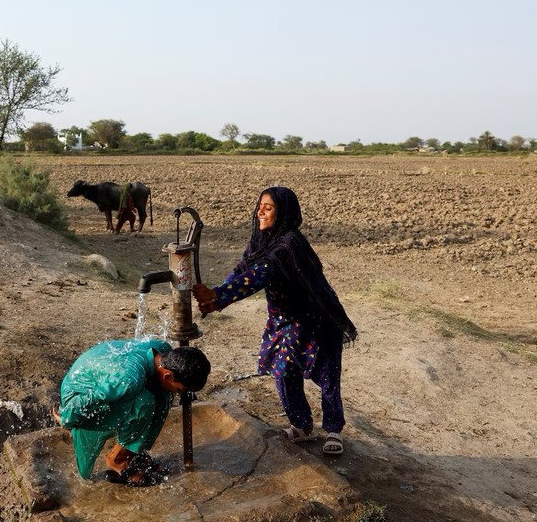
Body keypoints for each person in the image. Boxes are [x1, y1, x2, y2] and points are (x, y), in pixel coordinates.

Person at [192, 186, 357, 456]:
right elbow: (242, 270)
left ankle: (333, 429)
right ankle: (302, 425)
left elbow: (259, 274)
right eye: (260, 205)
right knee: (283, 372)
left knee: (328, 375)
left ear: (284, 212)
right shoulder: (261, 241)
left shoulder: (288, 244)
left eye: (268, 207)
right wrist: (217, 296)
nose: (260, 211)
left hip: (317, 318)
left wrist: (219, 296)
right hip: (285, 321)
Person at [53, 338, 211, 486]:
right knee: (144, 402)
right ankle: (118, 460)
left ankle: (134, 451)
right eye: (180, 389)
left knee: (164, 395)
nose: (179, 393)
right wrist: (68, 418)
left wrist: (184, 390)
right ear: (168, 375)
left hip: (107, 381)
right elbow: (93, 397)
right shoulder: (129, 380)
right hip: (79, 392)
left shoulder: (163, 352)